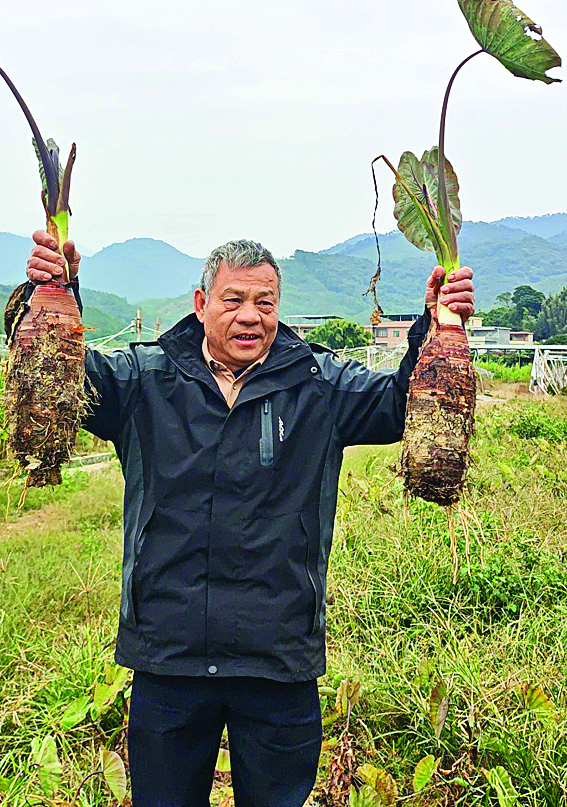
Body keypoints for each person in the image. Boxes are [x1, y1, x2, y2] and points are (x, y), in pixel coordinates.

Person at [24, 230, 474, 807]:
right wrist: (57, 291)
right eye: (232, 300)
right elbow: (61, 382)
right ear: (200, 304)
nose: (250, 317)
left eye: (265, 303)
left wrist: (436, 329)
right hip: (169, 655)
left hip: (277, 658)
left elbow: (397, 404)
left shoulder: (318, 384)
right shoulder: (145, 380)